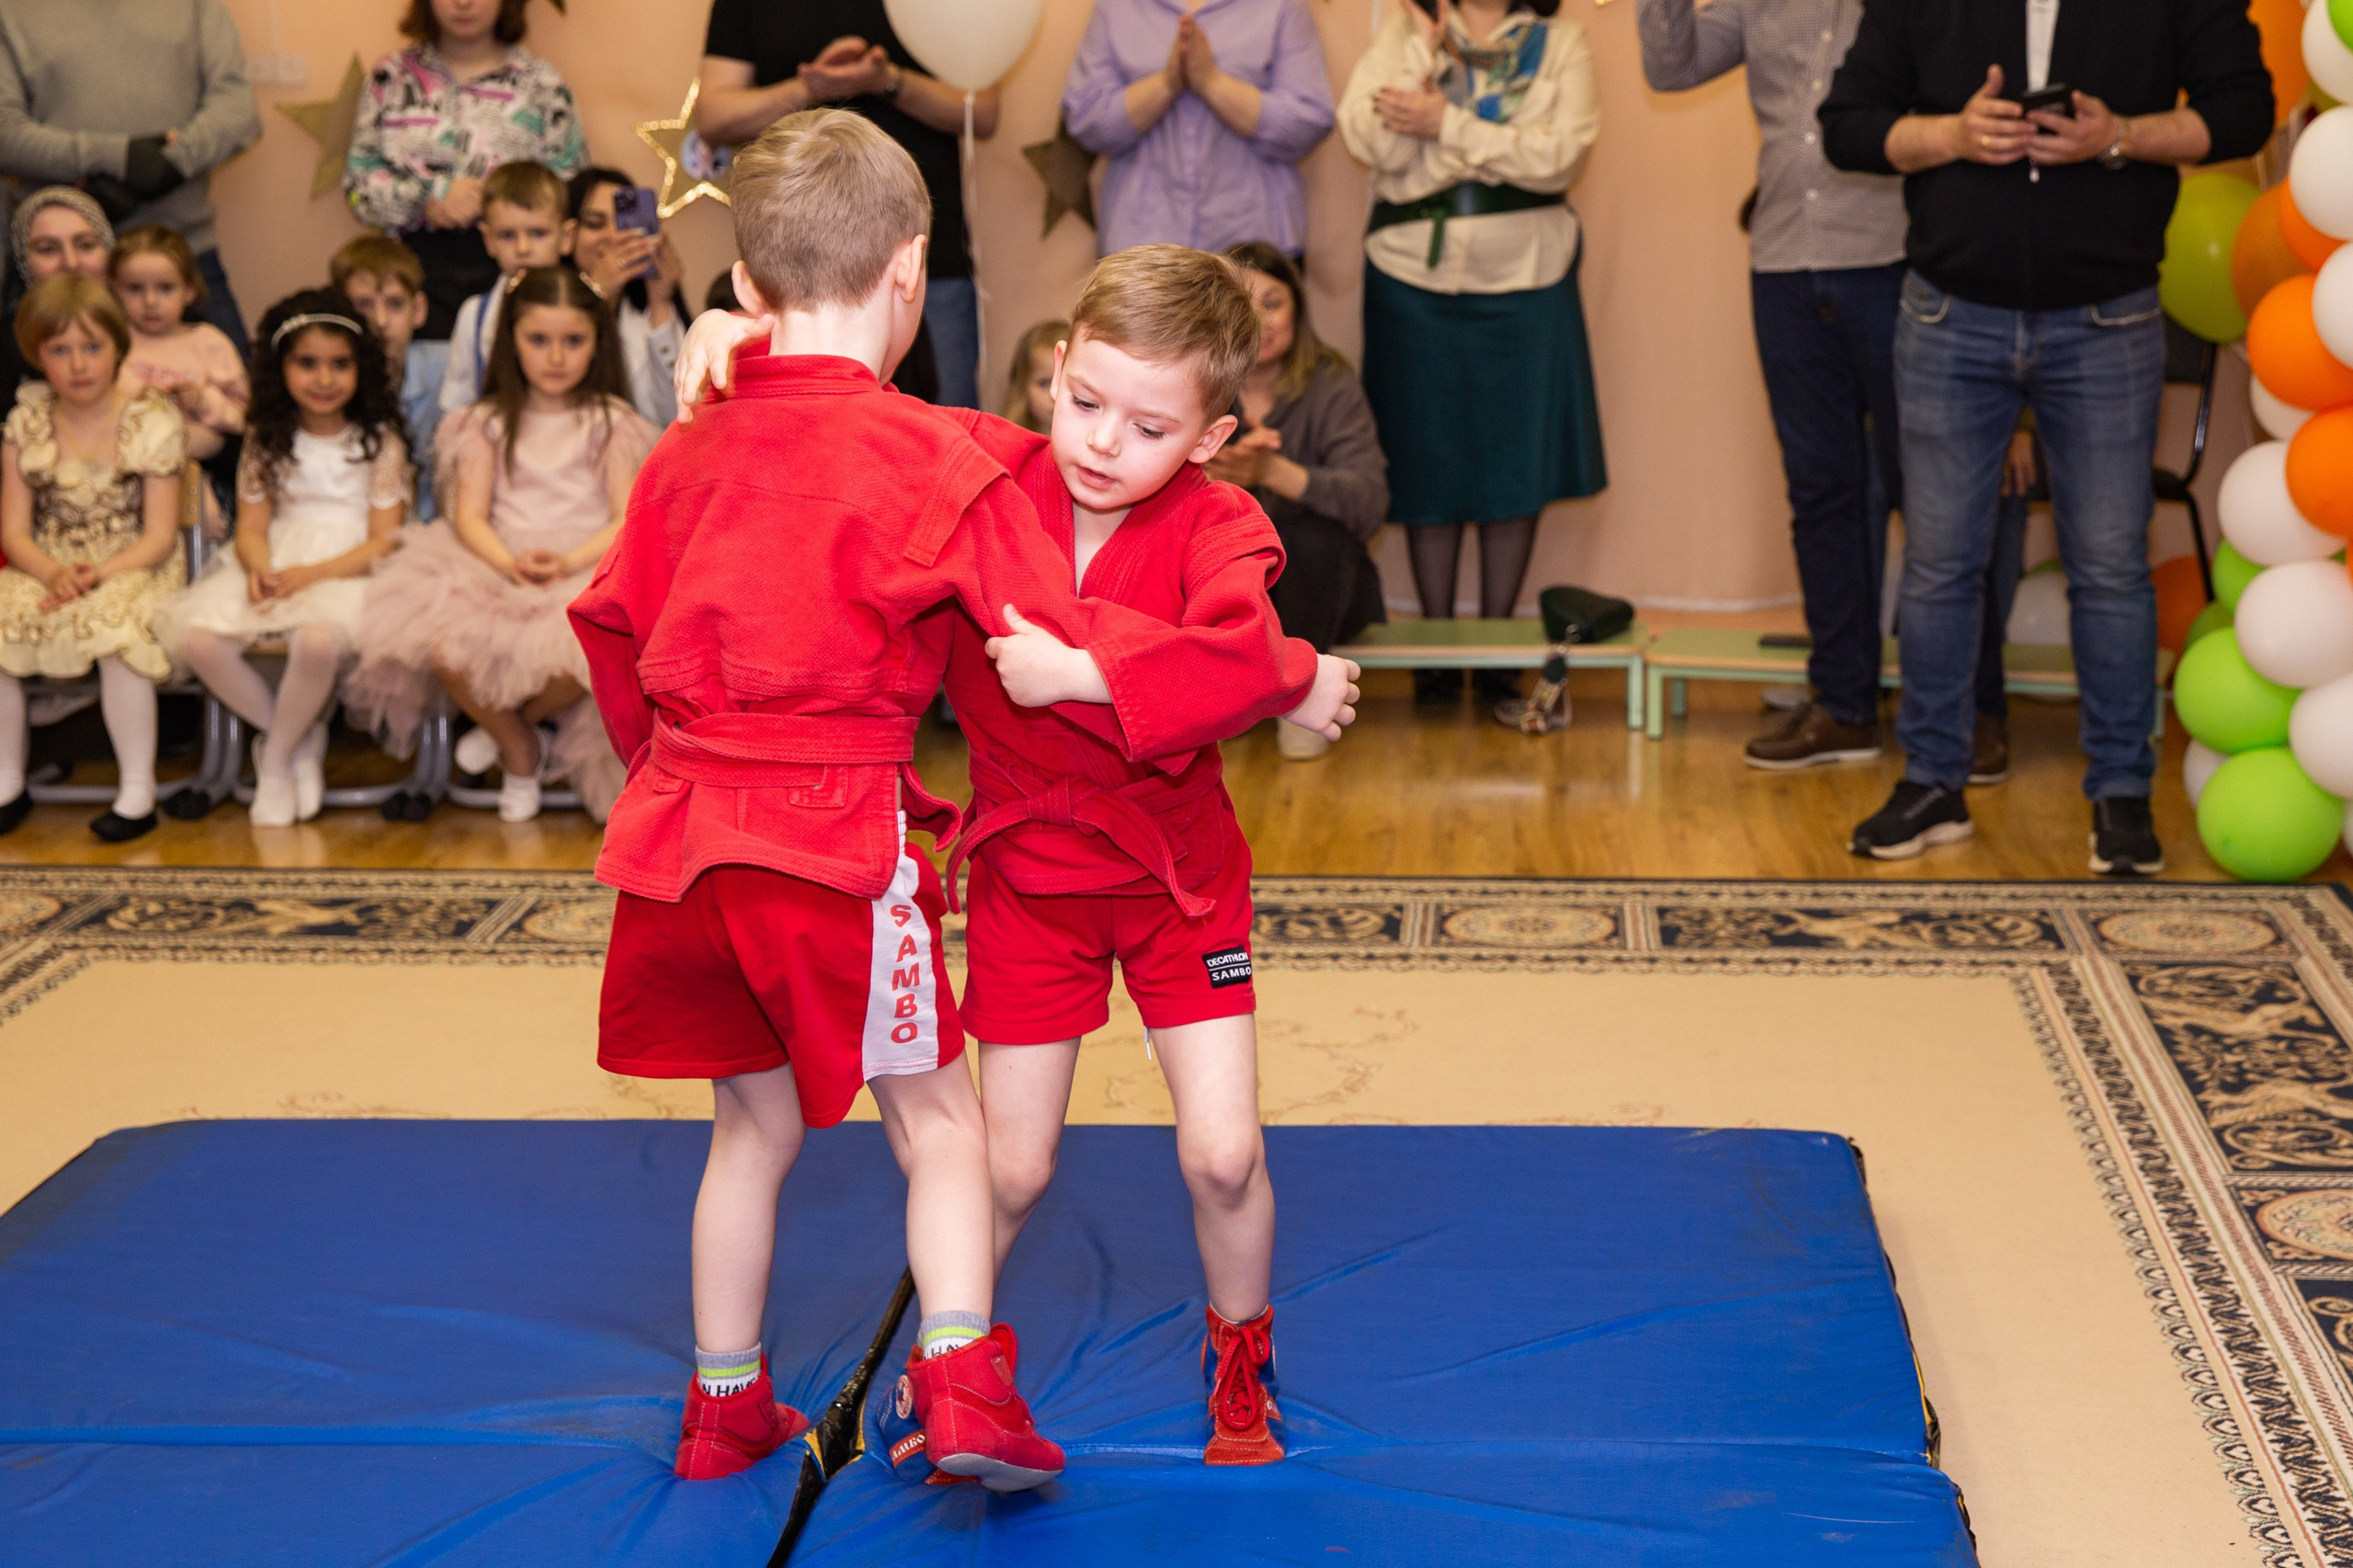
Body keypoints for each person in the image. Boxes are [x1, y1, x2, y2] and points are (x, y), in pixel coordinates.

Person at [580, 108, 1349, 1485]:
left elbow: (1236, 652)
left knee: (1222, 1154)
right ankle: (955, 1375)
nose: (1105, 442)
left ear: (1220, 433)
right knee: (997, 1161)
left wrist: (1163, 668)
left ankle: (1234, 1347)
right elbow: (836, 437)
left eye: (1153, 423)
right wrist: (736, 341)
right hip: (1019, 879)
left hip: (1170, 879)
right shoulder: (979, 464)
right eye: (1086, 403)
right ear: (1050, 374)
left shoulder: (1219, 522)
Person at [1820, 0, 2271, 869]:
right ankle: (1933, 785)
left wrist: (2122, 135)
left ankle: (2121, 798)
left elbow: (2245, 109)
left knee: (2108, 565)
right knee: (1940, 564)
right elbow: (1848, 126)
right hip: (1949, 313)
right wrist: (1951, 134)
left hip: (2107, 318)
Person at [1636, 0, 1912, 772]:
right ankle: (1845, 706)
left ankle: (1946, 710)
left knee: (1925, 496)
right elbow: (1671, 66)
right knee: (1822, 494)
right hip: (1785, 263)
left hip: (1896, 258)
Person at [1338, 0, 1606, 718]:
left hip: (1529, 277)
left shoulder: (1560, 43)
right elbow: (1374, 144)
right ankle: (1436, 655)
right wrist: (1427, 59)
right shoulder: (1404, 31)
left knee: (1514, 463)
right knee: (1424, 460)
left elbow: (1560, 157)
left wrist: (1445, 125)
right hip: (1409, 277)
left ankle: (1494, 656)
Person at [347, 267, 653, 824]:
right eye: (539, 340)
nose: (555, 357)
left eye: (573, 341)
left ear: (597, 343)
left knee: (589, 646)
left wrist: (568, 561)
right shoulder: (483, 422)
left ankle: (516, 731)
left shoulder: (613, 422)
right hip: (496, 560)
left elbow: (624, 516)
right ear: (511, 341)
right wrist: (508, 562)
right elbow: (469, 515)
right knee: (445, 647)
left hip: (586, 561)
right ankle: (520, 750)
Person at [157, 293, 405, 826]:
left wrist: (310, 575)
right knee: (201, 641)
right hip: (277, 555)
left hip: (349, 566)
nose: (324, 378)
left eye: (340, 364)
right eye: (307, 363)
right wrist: (258, 569)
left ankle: (272, 762)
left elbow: (385, 539)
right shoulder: (267, 441)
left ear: (361, 369)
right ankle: (296, 735)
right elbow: (251, 527)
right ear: (280, 369)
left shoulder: (378, 442)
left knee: (318, 639)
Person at [693, 0, 1001, 409]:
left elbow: (981, 110)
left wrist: (889, 82)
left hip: (925, 259)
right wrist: (809, 89)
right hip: (795, 267)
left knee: (944, 423)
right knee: (803, 426)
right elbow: (713, 115)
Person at [0, 273, 185, 842]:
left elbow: (159, 535)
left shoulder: (151, 420)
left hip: (134, 562)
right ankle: (6, 778)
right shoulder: (26, 423)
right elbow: (13, 531)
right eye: (59, 350)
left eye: (92, 347)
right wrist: (55, 572)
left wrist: (96, 576)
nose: (78, 364)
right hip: (49, 562)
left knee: (117, 628)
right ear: (36, 355)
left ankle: (136, 788)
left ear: (117, 347)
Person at [0, 0, 259, 350]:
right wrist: (122, 158)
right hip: (59, 271)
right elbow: (6, 132)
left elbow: (239, 112)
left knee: (233, 397)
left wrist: (167, 167)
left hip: (178, 259)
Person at [1215, 241, 1386, 757]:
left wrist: (1274, 472)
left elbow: (1370, 502)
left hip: (1325, 588)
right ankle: (1216, 700)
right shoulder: (1194, 382)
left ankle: (1302, 700)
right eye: (1243, 304)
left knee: (1310, 538)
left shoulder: (1331, 383)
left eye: (1273, 302)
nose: (1259, 320)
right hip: (1234, 589)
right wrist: (1216, 477)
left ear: (1298, 310)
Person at [345, 0, 586, 339]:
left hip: (514, 272)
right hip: (411, 278)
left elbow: (569, 186)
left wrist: (495, 202)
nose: (463, 3)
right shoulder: (391, 76)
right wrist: (427, 198)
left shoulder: (542, 84)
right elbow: (359, 186)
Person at [1061, 0, 1337, 259]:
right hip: (1142, 247)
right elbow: (1086, 119)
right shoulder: (1117, 6)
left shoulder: (1281, 5)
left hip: (1254, 251)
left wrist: (1212, 83)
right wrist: (1167, 83)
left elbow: (1307, 123)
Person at [438, 162, 571, 419]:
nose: (523, 248)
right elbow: (456, 407)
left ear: (565, 237)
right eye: (508, 235)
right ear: (488, 241)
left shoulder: (583, 308)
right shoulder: (474, 314)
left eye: (538, 233)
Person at [109, 226, 247, 470]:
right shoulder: (111, 342)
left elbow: (243, 416)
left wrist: (203, 400)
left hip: (198, 468)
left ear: (189, 291)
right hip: (124, 462)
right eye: (135, 288)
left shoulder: (210, 343)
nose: (150, 302)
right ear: (116, 290)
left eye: (165, 288)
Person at [330, 233, 447, 518]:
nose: (380, 321)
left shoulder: (449, 366)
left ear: (418, 310)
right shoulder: (326, 383)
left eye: (395, 304)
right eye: (364, 305)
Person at [566, 166, 688, 426]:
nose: (612, 237)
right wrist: (596, 295)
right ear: (567, 234)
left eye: (623, 224)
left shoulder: (644, 318)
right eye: (595, 223)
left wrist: (660, 303)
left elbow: (678, 418)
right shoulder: (535, 304)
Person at [0, 189, 114, 394]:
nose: (71, 263)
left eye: (86, 245)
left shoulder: (152, 321)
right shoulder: (6, 344)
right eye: (47, 249)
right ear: (24, 264)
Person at [999, 318, 1066, 434]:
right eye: (1045, 383)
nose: (1056, 395)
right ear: (1022, 387)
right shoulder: (1010, 444)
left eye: (1066, 383)